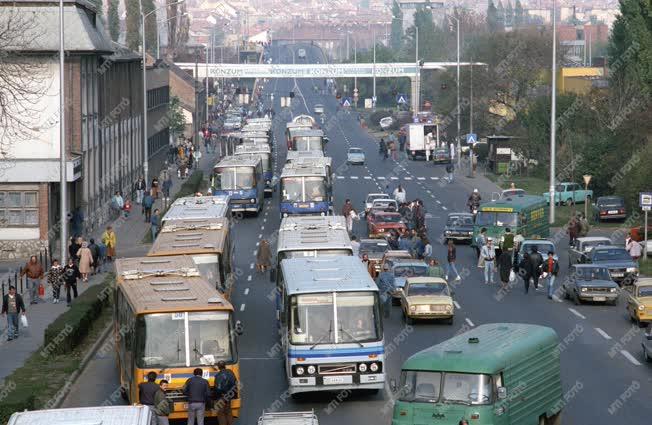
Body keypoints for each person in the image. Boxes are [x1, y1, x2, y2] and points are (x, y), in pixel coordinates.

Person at [214, 361, 238, 425]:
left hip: (221, 396)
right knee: (229, 412)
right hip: (229, 395)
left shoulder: (218, 375)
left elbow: (218, 388)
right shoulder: (231, 373)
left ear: (219, 367)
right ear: (225, 365)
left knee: (221, 413)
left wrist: (215, 396)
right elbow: (235, 383)